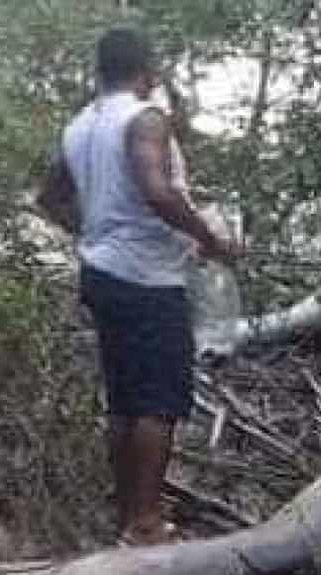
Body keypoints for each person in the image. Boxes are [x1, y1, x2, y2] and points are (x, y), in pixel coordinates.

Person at [34, 27, 240, 546]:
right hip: (147, 278)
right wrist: (209, 238)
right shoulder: (144, 118)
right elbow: (158, 190)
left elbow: (49, 199)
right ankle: (147, 524)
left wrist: (97, 232)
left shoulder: (79, 127)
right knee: (159, 400)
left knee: (125, 401)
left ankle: (129, 517)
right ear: (146, 71)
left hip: (102, 273)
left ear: (98, 71)